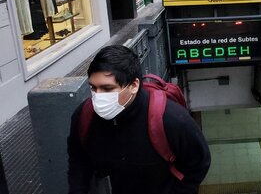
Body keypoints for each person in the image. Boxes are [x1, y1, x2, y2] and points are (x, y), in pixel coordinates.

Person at [67, 45, 211, 194]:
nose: (98, 96)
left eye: (107, 88)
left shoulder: (172, 119)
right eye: (93, 88)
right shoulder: (85, 116)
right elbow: (79, 162)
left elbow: (198, 163)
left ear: (134, 85)